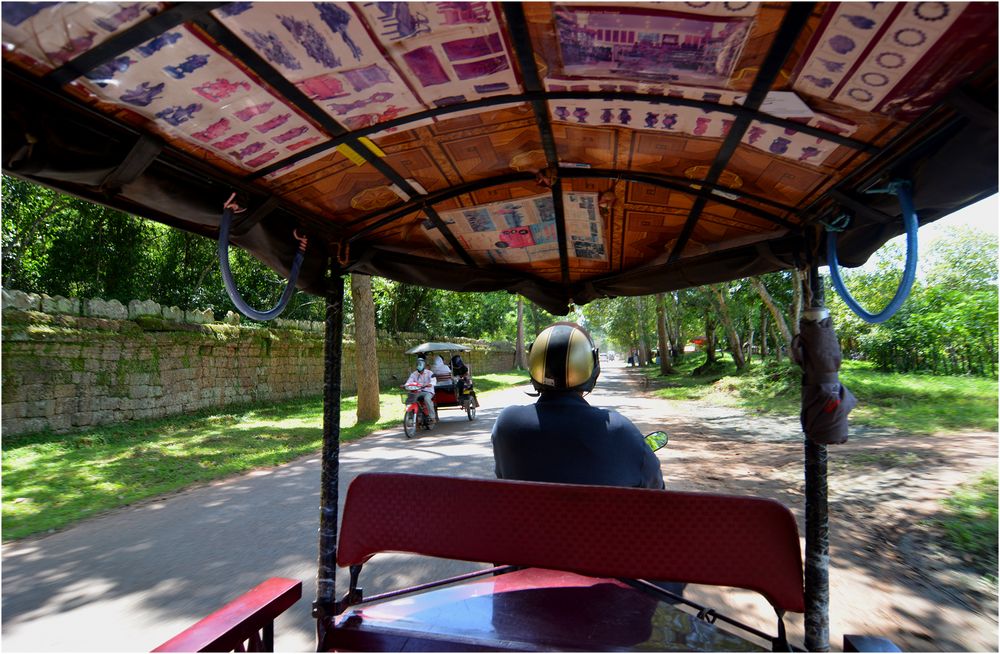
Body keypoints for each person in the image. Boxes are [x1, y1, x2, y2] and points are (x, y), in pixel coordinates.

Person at [491, 322, 664, 489]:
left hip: (527, 519)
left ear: (534, 363)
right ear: (592, 366)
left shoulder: (507, 424)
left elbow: (502, 475)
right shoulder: (620, 430)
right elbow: (656, 489)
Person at [404, 357, 436, 424]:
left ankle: (432, 417)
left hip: (428, 391)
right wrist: (405, 385)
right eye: (417, 364)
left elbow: (433, 381)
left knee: (427, 399)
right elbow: (409, 381)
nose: (419, 365)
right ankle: (410, 417)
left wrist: (429, 384)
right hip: (417, 391)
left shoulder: (430, 373)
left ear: (424, 365)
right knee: (408, 400)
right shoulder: (414, 374)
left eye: (420, 364)